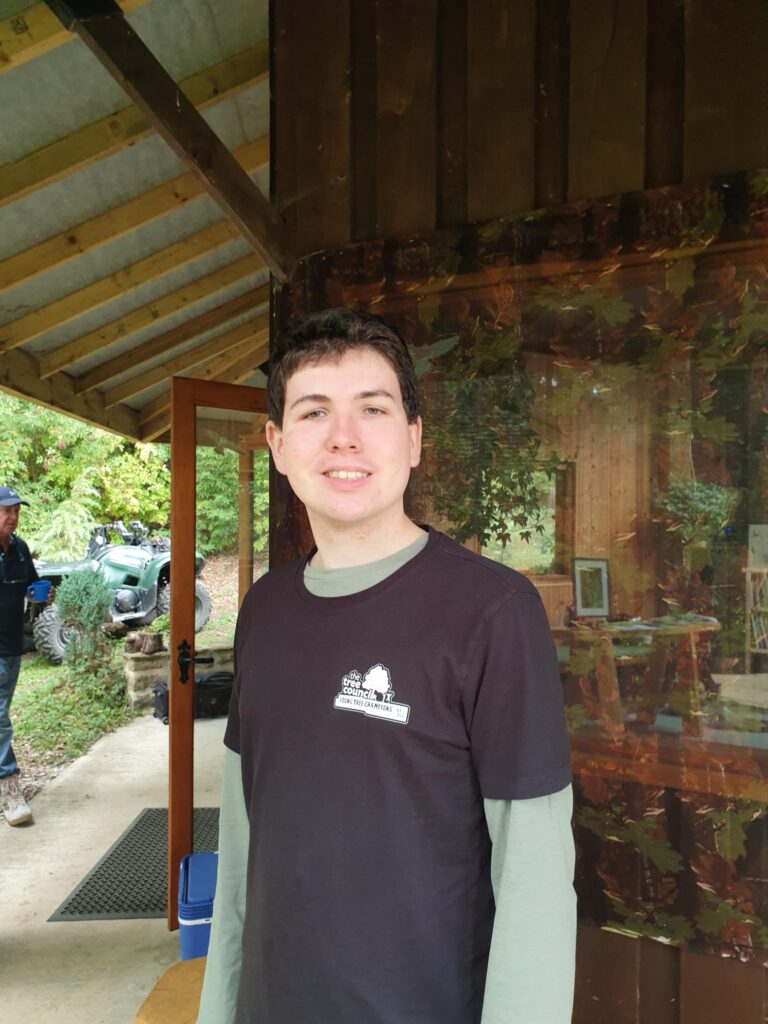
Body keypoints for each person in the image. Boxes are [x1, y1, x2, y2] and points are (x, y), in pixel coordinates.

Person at [197, 308, 576, 1024]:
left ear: (412, 438)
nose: (344, 436)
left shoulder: (493, 613)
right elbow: (244, 848)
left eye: (372, 408)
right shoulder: (264, 610)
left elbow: (536, 886)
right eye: (313, 412)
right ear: (278, 445)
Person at [0, 486, 49, 827]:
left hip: (12, 647)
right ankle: (8, 787)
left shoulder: (19, 549)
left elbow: (30, 586)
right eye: (7, 511)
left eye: (17, 511)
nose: (13, 517)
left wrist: (39, 594)